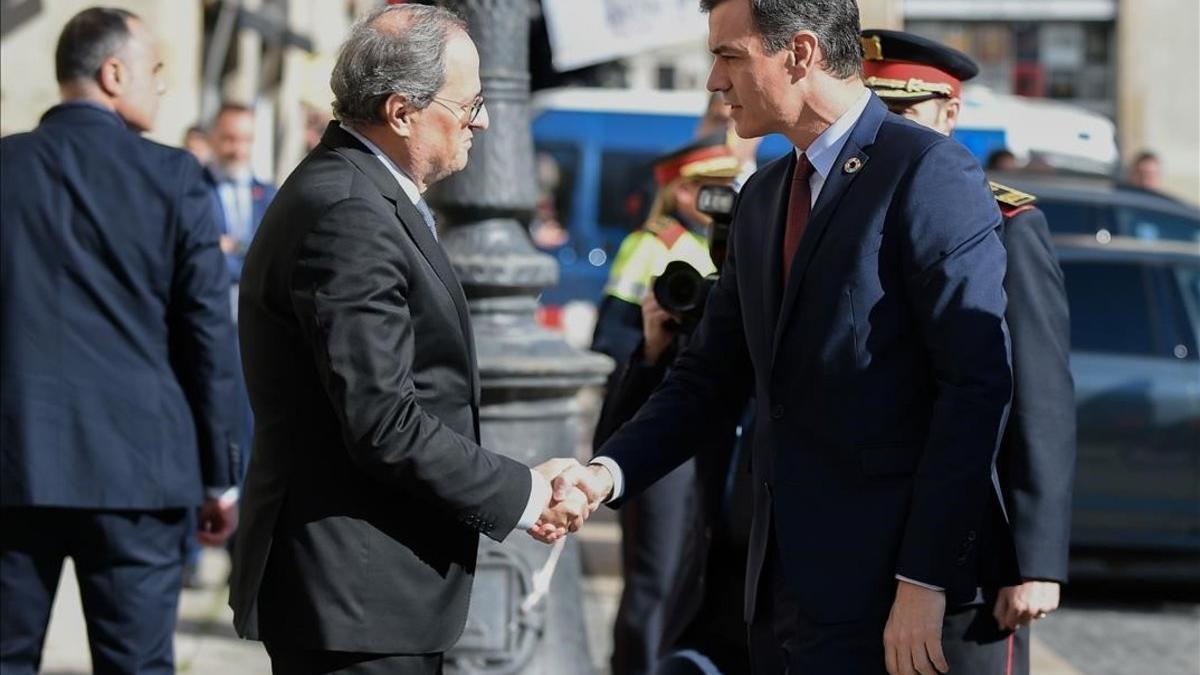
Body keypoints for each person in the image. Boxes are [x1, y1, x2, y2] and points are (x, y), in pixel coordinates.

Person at [557, 0, 1016, 673]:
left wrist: (924, 579)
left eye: (729, 56)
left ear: (799, 53)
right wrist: (602, 475)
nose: (714, 80)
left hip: (890, 598)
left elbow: (975, 386)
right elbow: (707, 376)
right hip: (777, 596)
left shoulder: (928, 173)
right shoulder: (765, 196)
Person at [227, 6, 591, 673]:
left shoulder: (361, 192)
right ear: (400, 111)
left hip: (372, 590)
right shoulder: (350, 211)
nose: (482, 120)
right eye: (469, 102)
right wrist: (525, 493)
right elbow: (383, 420)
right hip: (357, 594)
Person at [0, 7, 241, 674]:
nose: (162, 85)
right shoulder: (175, 177)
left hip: (14, 462)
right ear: (113, 74)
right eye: (156, 70)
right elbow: (206, 332)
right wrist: (220, 474)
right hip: (139, 470)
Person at [862, 28, 1076, 675]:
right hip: (867, 541)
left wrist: (1034, 561)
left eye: (903, 110)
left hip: (975, 558)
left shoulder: (1004, 223)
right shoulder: (851, 216)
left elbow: (1039, 392)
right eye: (876, 111)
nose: (886, 127)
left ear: (949, 115)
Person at [591, 134, 742, 675]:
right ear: (682, 191)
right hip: (657, 414)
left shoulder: (728, 244)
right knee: (654, 578)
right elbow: (610, 339)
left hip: (713, 431)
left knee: (694, 576)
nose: (721, 196)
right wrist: (656, 342)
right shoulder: (651, 245)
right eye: (711, 187)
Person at [204, 102, 278, 285]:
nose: (238, 150)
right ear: (212, 138)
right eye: (230, 139)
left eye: (246, 140)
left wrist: (234, 246)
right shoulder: (194, 189)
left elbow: (273, 254)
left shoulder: (268, 195)